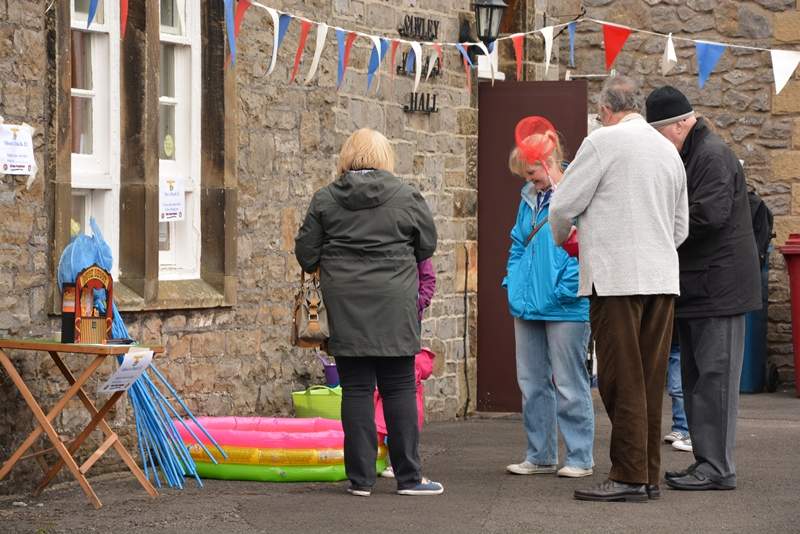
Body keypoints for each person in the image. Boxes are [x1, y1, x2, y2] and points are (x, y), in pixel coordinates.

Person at [549, 75, 689, 502]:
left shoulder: (602, 142)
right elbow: (680, 227)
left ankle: (629, 475)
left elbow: (562, 205)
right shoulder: (667, 150)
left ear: (606, 110)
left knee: (618, 378)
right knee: (648, 379)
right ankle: (646, 475)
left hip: (615, 278)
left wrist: (563, 238)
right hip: (661, 278)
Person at [294, 128, 443, 497]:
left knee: (356, 389)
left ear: (348, 156)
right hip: (395, 304)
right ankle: (409, 478)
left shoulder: (325, 199)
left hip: (345, 306)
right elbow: (427, 245)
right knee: (400, 388)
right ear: (384, 157)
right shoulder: (406, 196)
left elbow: (306, 254)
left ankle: (360, 480)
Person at [646, 86, 761, 491]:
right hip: (701, 287)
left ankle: (717, 468)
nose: (658, 143)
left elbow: (709, 216)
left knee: (714, 382)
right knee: (698, 382)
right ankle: (706, 462)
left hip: (718, 289)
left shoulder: (711, 154)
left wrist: (658, 228)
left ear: (679, 125)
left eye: (659, 133)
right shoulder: (693, 153)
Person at [502, 130, 595, 479]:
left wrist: (566, 286)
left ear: (548, 161)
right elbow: (518, 241)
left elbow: (586, 240)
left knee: (569, 382)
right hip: (528, 300)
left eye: (532, 173)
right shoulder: (529, 197)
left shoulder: (576, 190)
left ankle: (580, 457)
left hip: (565, 303)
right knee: (532, 383)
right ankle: (539, 455)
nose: (529, 181)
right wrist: (514, 281)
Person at [378, 258, 436, 478]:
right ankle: (381, 457)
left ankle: (398, 460)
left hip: (406, 319)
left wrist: (417, 304)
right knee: (379, 392)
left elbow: (428, 277)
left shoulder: (414, 247)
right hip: (379, 318)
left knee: (401, 389)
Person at [664, 326, 692, 453]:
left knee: (677, 388)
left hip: (678, 340)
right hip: (671, 339)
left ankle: (682, 428)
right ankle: (681, 428)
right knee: (677, 389)